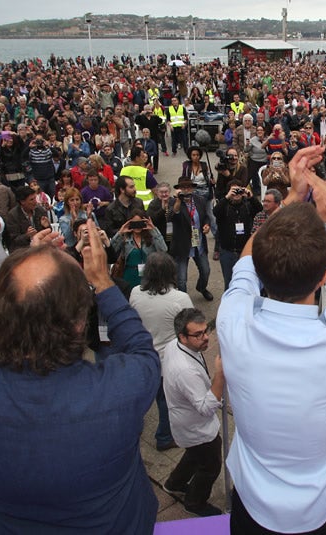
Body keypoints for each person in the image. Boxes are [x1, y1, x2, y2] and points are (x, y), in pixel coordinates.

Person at [217, 145, 326, 534]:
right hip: (323, 510)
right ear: (322, 279)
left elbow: (246, 266)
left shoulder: (233, 319)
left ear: (262, 275)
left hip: (252, 510)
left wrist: (293, 198)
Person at [0, 221, 160, 534]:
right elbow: (143, 351)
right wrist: (103, 282)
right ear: (78, 323)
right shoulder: (119, 390)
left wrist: (18, 283)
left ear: (3, 313)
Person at [160, 308, 225, 517]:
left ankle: (174, 483)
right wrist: (219, 376)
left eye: (206, 331)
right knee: (211, 464)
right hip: (196, 427)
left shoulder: (174, 345)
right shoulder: (185, 370)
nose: (205, 338)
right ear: (182, 337)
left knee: (194, 455)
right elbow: (206, 407)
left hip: (186, 425)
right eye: (198, 335)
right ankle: (195, 502)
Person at [129, 252, 193, 452]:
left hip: (143, 358)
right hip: (167, 362)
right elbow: (191, 326)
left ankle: (132, 428)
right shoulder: (180, 298)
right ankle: (164, 437)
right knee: (165, 401)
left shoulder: (134, 293)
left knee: (141, 398)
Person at [148, 179, 212, 299]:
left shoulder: (200, 200)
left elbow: (206, 216)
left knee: (206, 271)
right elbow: (173, 214)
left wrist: (206, 225)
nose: (186, 189)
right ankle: (183, 300)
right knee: (181, 279)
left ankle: (202, 287)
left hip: (198, 243)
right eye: (183, 187)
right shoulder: (173, 202)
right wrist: (178, 199)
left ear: (193, 188)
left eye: (189, 187)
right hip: (182, 245)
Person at [214, 180, 262, 289]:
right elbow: (215, 212)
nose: (236, 194)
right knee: (229, 282)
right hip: (227, 251)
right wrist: (227, 197)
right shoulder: (224, 206)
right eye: (234, 191)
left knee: (246, 281)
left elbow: (260, 210)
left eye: (238, 190)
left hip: (244, 251)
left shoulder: (247, 205)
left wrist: (251, 197)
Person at [109, 210, 167, 291]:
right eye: (134, 223)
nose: (137, 226)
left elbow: (163, 250)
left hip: (149, 275)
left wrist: (154, 230)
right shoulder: (125, 238)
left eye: (140, 223)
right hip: (129, 276)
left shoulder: (151, 237)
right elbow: (110, 251)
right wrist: (120, 233)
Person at [2, 185, 51, 253]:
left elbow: (49, 231)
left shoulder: (40, 210)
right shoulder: (12, 215)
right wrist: (27, 235)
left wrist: (46, 226)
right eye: (31, 199)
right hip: (22, 251)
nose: (35, 202)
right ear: (22, 202)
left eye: (35, 198)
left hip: (40, 247)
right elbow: (13, 240)